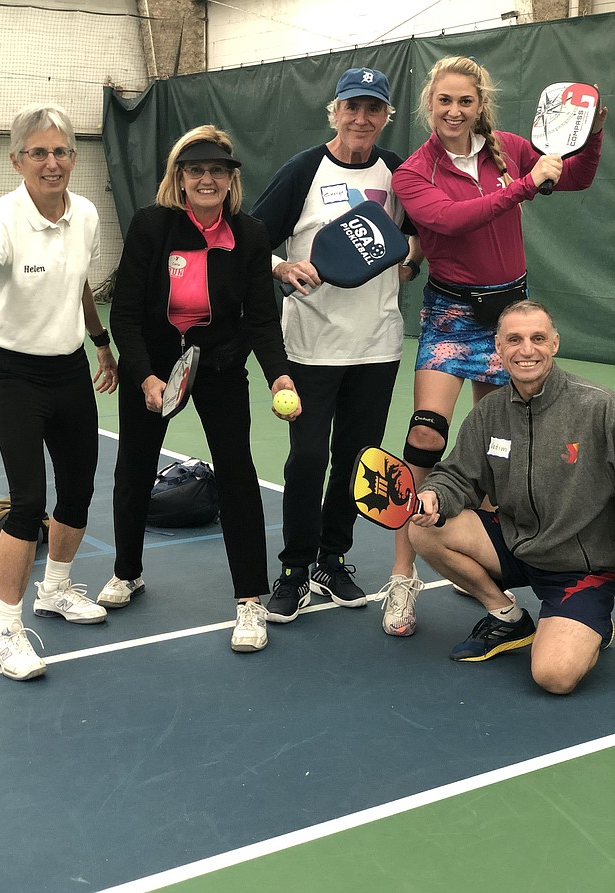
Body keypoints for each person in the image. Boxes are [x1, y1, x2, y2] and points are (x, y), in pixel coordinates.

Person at [375, 56, 607, 639]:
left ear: (481, 105)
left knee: (499, 444)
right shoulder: (413, 173)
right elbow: (450, 222)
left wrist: (593, 134)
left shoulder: (506, 148)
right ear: (429, 103)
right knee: (425, 436)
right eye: (444, 101)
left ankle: (491, 556)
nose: (455, 111)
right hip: (452, 314)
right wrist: (527, 185)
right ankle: (402, 576)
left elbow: (574, 178)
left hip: (508, 311)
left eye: (466, 101)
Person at [96, 124, 297, 653]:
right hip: (154, 366)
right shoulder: (151, 227)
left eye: (217, 171)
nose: (206, 180)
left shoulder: (250, 234)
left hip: (220, 366)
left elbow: (259, 320)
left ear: (231, 180)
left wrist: (278, 373)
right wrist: (144, 377)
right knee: (133, 467)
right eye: (196, 171)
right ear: (179, 179)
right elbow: (127, 313)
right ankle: (127, 571)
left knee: (237, 474)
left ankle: (250, 600)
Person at [0, 103, 118, 681]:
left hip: (68, 366)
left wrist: (101, 342)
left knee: (78, 488)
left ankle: (57, 589)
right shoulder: (1, 218)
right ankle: (7, 630)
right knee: (26, 501)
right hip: (10, 371)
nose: (52, 162)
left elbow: (81, 284)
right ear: (16, 159)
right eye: (39, 152)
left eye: (62, 151)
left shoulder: (87, 214)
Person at [250, 67, 422, 623]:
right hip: (310, 347)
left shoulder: (399, 171)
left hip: (377, 345)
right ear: (335, 110)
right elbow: (252, 238)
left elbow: (421, 232)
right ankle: (296, 567)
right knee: (306, 458)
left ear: (386, 116)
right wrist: (282, 267)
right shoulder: (304, 169)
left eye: (374, 109)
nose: (361, 119)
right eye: (352, 107)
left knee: (357, 459)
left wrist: (411, 261)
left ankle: (332, 558)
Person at [407, 301, 614, 694]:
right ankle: (506, 616)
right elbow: (458, 475)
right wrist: (434, 494)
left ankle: (593, 622)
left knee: (554, 677)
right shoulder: (491, 411)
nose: (527, 350)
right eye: (514, 340)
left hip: (580, 567)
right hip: (516, 544)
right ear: (499, 348)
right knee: (425, 529)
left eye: (538, 338)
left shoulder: (598, 406)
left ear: (555, 343)